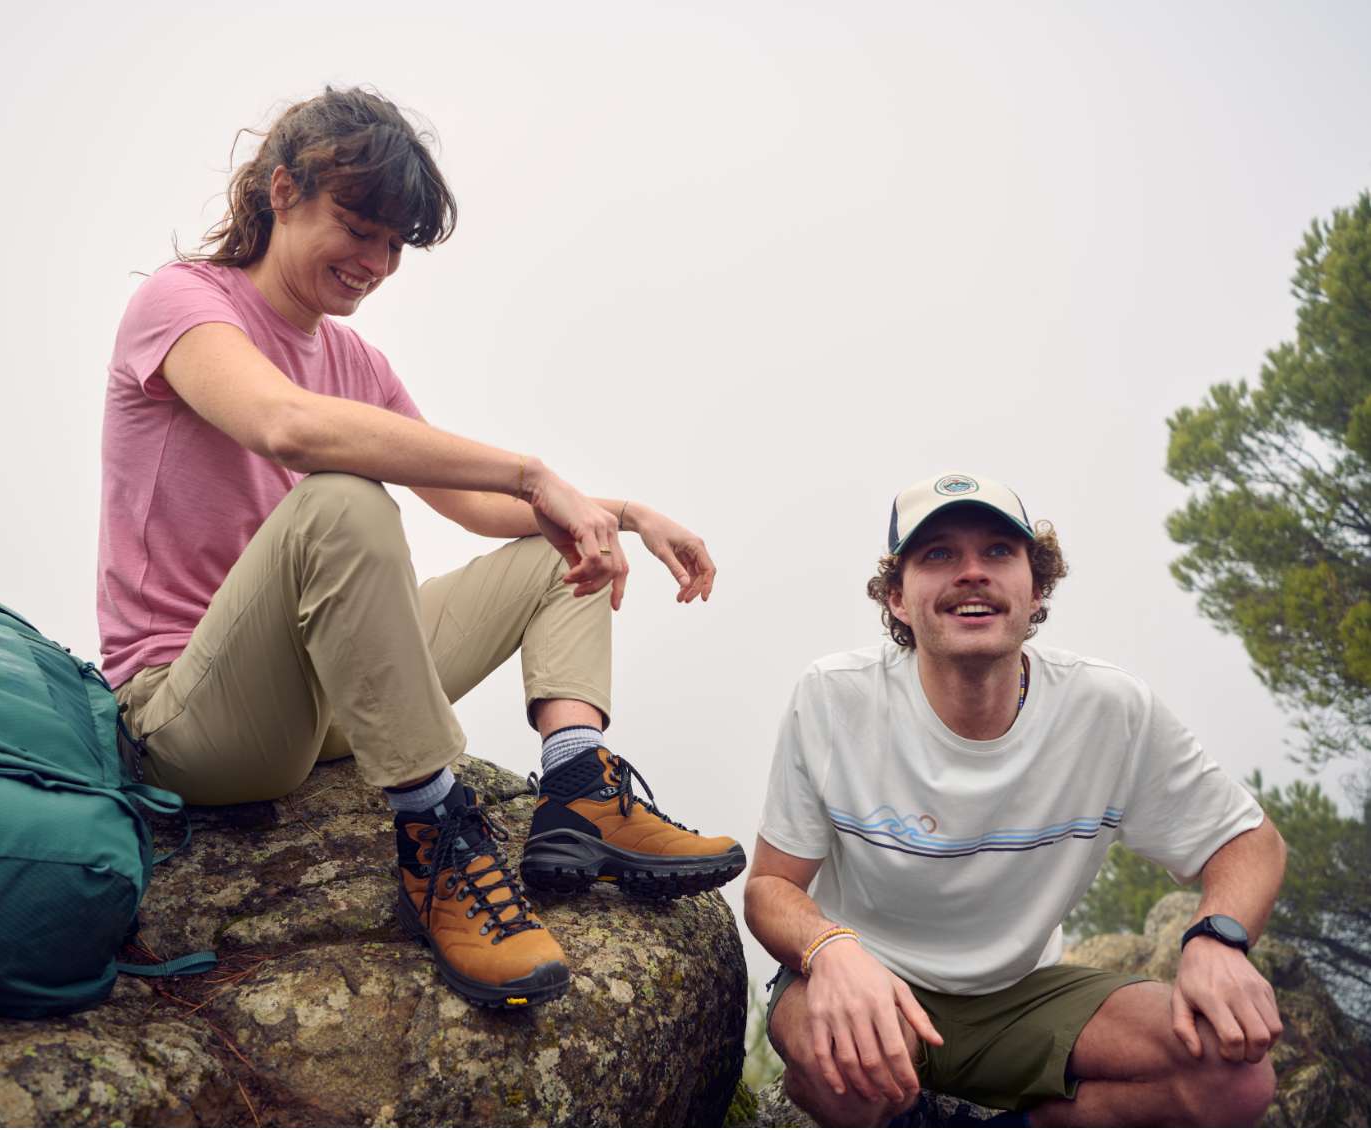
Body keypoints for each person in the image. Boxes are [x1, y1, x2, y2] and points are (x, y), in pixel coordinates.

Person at [98, 87, 739, 1010]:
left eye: (395, 244)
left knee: (558, 552)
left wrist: (622, 514)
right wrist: (533, 472)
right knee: (344, 501)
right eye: (358, 227)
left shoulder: (354, 364)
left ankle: (579, 791)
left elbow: (472, 506)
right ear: (282, 191)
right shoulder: (182, 304)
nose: (376, 262)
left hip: (322, 709)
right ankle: (437, 836)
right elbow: (286, 427)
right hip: (193, 714)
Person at [744, 472, 1284, 1126]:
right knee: (841, 1063)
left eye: (999, 552)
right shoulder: (835, 697)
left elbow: (1248, 841)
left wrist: (1217, 939)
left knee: (1236, 1077)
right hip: (868, 978)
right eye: (938, 554)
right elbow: (771, 887)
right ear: (896, 597)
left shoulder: (1108, 710)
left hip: (1020, 996)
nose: (972, 572)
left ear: (1037, 589)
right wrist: (829, 951)